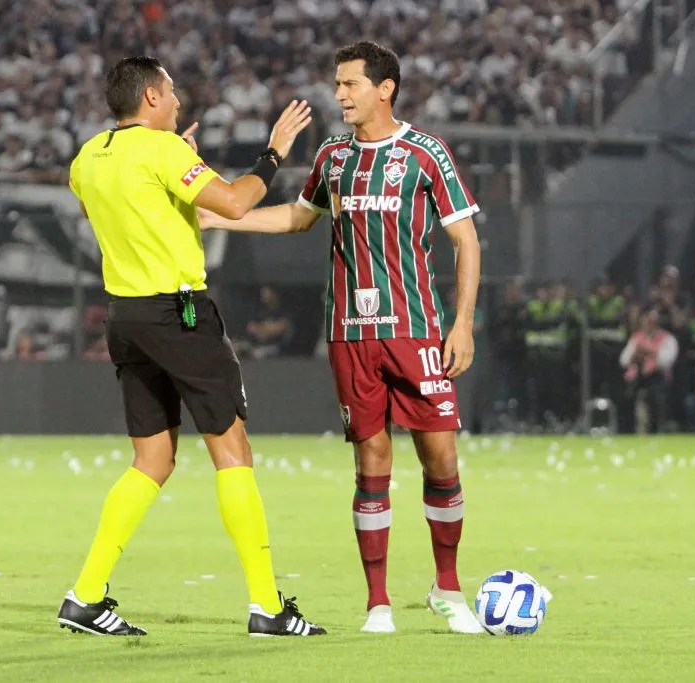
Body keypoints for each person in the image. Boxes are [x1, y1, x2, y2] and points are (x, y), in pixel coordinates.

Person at [201, 42, 483, 635]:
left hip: (416, 331)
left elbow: (466, 241)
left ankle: (448, 587)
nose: (339, 95)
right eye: (338, 84)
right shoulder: (332, 156)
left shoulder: (425, 154)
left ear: (386, 89)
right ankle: (377, 602)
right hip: (351, 336)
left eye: (350, 84)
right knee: (371, 461)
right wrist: (223, 215)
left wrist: (462, 324)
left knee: (440, 457)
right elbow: (296, 217)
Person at [58, 56, 325, 638]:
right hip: (177, 313)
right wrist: (273, 152)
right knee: (232, 449)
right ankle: (266, 607)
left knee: (152, 459)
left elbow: (105, 210)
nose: (178, 100)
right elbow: (234, 203)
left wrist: (167, 170)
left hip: (124, 317)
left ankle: (84, 596)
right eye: (172, 91)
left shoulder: (89, 157)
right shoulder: (165, 151)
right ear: (151, 97)